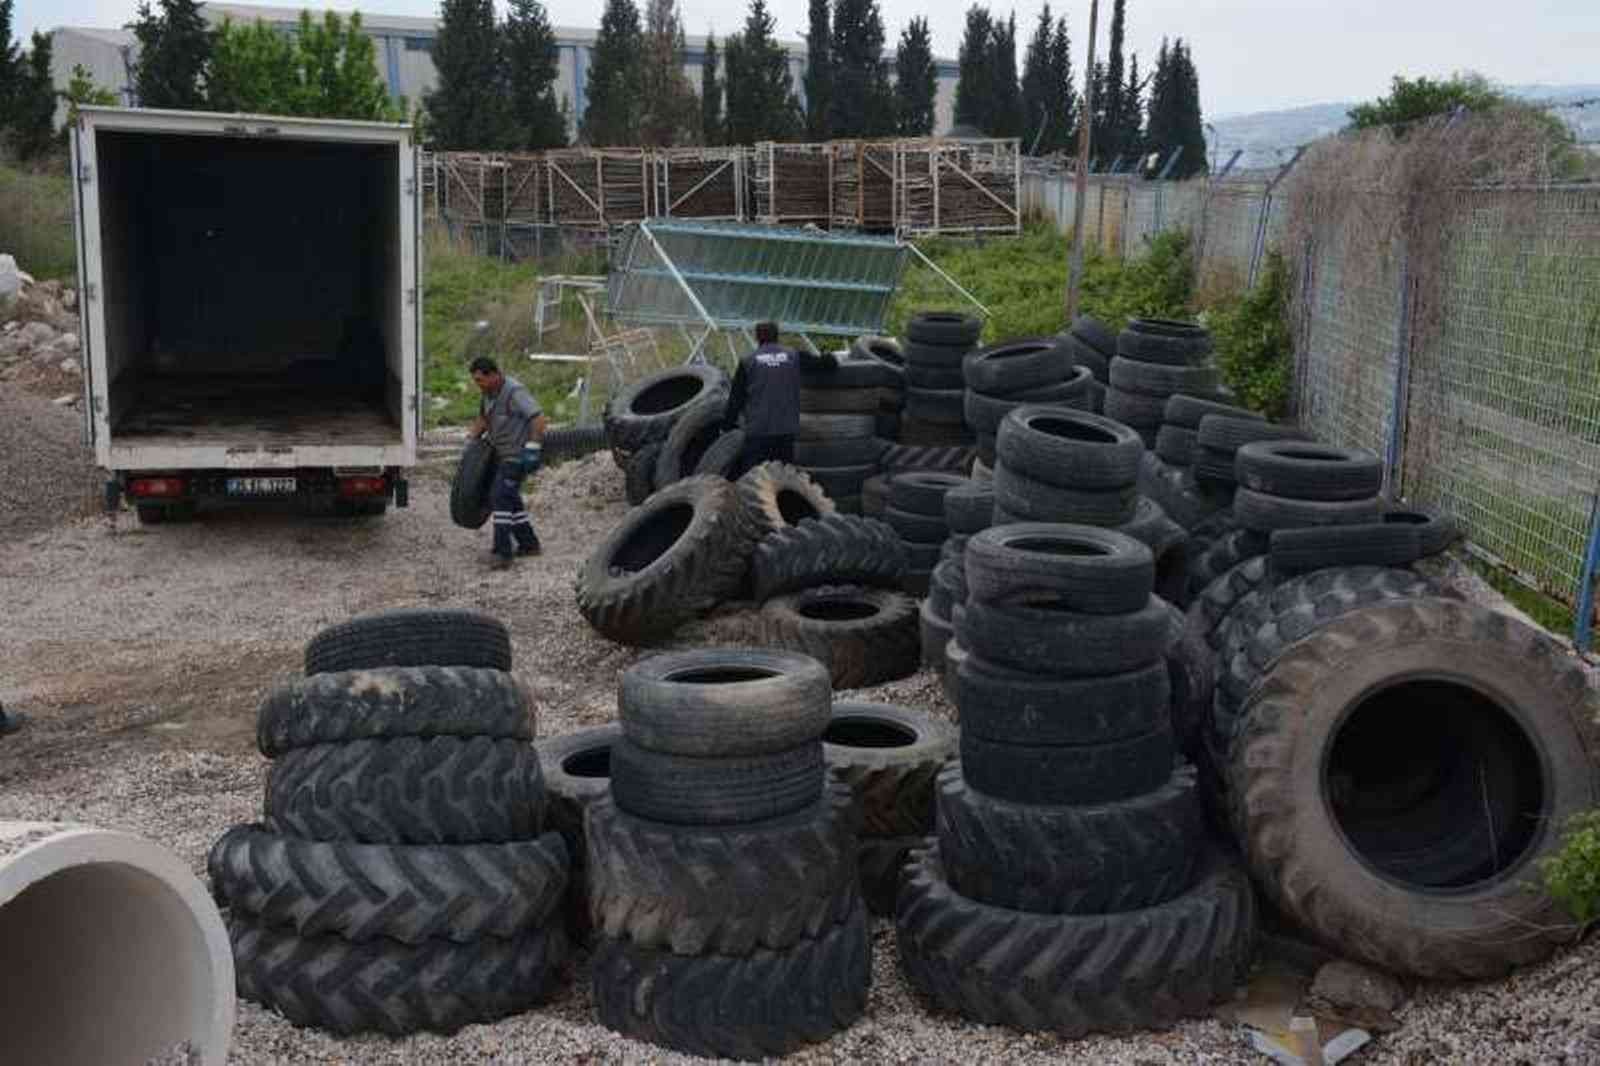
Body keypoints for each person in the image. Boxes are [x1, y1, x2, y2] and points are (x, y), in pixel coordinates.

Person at [722, 321, 837, 477]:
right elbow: (826, 364)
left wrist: (727, 426)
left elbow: (736, 399)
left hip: (758, 432)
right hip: (785, 431)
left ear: (757, 337)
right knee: (784, 477)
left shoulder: (748, 361)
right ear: (777, 336)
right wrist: (832, 356)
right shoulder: (794, 356)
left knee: (755, 478)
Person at [467, 356, 546, 569]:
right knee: (511, 500)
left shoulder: (514, 392)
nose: (478, 384)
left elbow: (538, 419)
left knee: (499, 497)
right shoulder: (488, 394)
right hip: (501, 455)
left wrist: (533, 448)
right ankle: (529, 545)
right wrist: (471, 441)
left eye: (480, 380)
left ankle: (503, 553)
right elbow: (484, 419)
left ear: (494, 374)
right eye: (475, 380)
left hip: (517, 455)